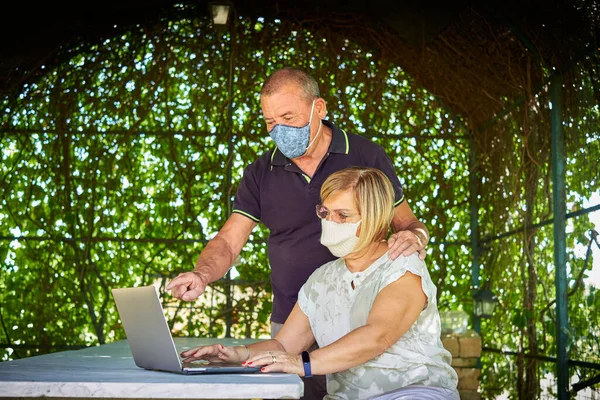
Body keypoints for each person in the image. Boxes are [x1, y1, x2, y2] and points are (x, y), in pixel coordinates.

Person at [166, 68, 429, 399]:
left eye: (287, 117)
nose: (278, 129)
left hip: (363, 312)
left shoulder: (366, 157)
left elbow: (407, 225)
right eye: (269, 122)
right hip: (297, 313)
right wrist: (202, 275)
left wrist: (416, 237)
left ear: (318, 108)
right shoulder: (261, 172)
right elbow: (229, 241)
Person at [180, 167, 459, 400]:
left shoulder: (403, 264)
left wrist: (303, 364)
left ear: (374, 220)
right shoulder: (322, 278)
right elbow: (284, 345)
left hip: (413, 392)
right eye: (326, 212)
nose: (330, 222)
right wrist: (234, 355)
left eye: (343, 215)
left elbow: (378, 336)